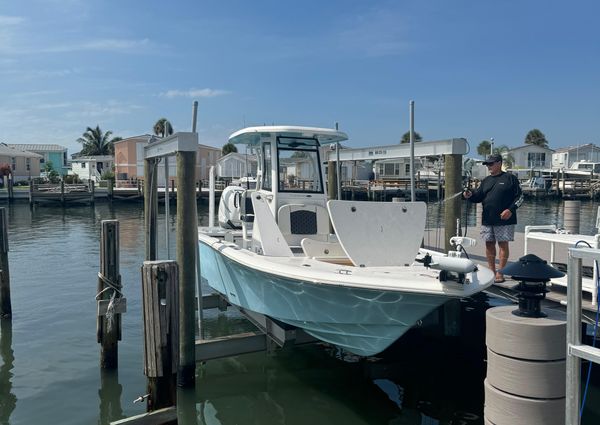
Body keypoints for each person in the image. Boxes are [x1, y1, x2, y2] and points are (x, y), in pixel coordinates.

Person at [463, 154, 523, 283]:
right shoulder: (486, 180)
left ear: (499, 163)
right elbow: (478, 197)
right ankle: (491, 272)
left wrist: (510, 210)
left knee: (502, 244)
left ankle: (500, 272)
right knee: (489, 244)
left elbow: (520, 198)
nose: (488, 167)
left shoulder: (510, 178)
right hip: (487, 219)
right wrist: (469, 195)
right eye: (487, 164)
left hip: (504, 219)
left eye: (491, 164)